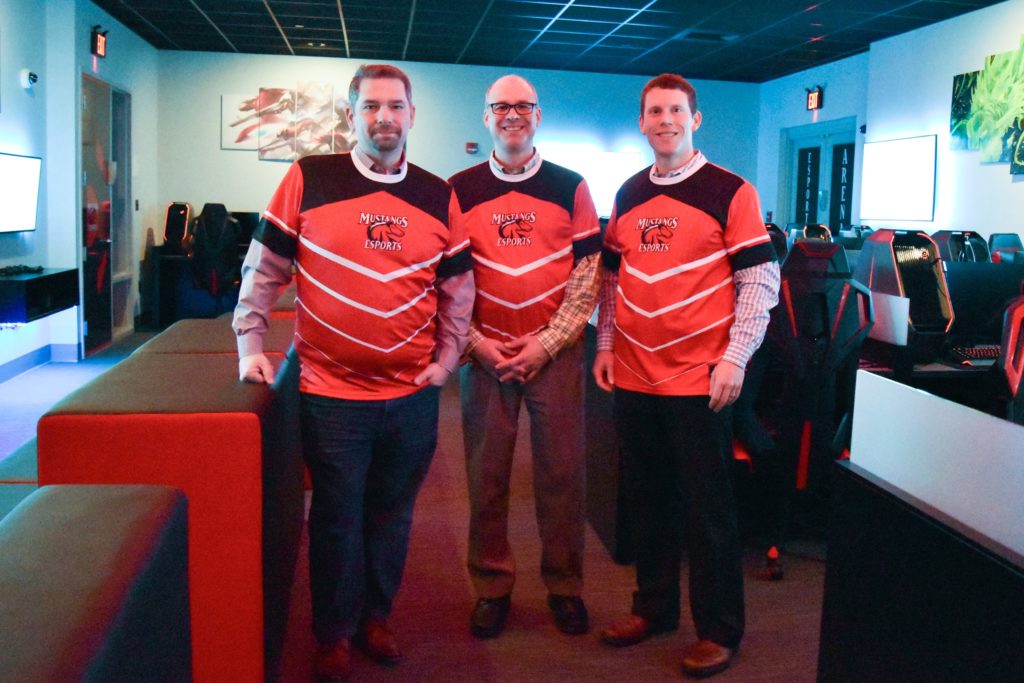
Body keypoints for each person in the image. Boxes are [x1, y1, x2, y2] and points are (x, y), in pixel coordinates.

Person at [233, 64, 474, 682]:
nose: (384, 118)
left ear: (412, 116)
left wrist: (447, 362)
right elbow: (265, 267)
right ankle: (334, 633)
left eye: (396, 106)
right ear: (351, 115)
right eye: (371, 107)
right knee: (338, 515)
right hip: (330, 393)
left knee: (393, 514)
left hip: (413, 396)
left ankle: (377, 617)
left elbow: (458, 290)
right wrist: (249, 340)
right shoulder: (310, 178)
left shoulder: (436, 193)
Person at [593, 73, 780, 678]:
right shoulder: (626, 194)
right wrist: (605, 345)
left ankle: (720, 630)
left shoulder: (732, 190)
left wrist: (736, 357)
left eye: (676, 109)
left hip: (700, 379)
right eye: (655, 111)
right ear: (642, 123)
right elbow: (612, 282)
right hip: (634, 376)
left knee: (708, 512)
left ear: (694, 119)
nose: (665, 119)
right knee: (647, 502)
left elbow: (759, 281)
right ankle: (654, 609)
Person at [448, 74, 602, 639]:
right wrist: (477, 345)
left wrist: (546, 342)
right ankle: (492, 586)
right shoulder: (458, 189)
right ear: (485, 117)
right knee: (486, 478)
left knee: (563, 477)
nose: (512, 115)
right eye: (500, 107)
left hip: (555, 356)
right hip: (484, 355)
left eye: (523, 106)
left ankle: (565, 586)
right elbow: (444, 281)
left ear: (538, 116)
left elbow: (589, 278)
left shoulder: (571, 186)